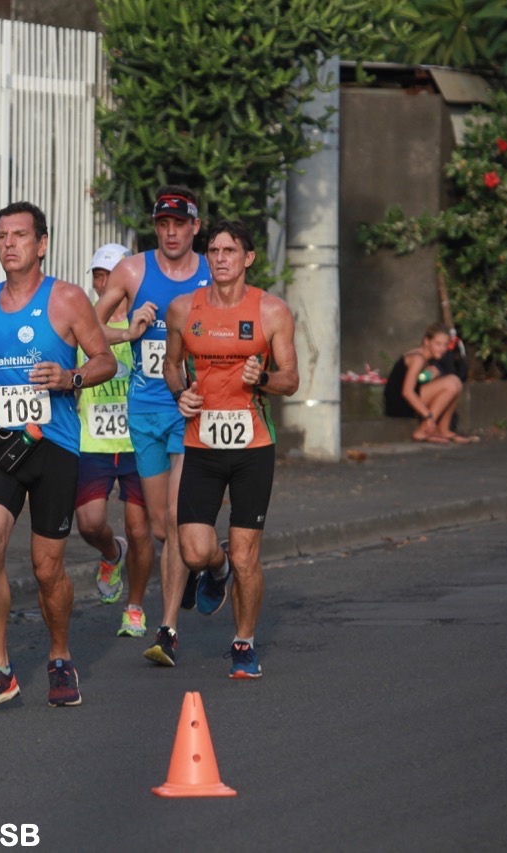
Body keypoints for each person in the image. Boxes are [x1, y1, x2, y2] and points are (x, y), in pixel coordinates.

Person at [0, 202, 116, 712]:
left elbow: (105, 361)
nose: (9, 244)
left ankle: (60, 654)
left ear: (41, 244)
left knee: (47, 568)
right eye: (2, 235)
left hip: (54, 445)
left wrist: (69, 378)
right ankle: (0, 667)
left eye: (20, 235)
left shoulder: (68, 300)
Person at [162, 219, 299, 679]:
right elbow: (171, 364)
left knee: (247, 555)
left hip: (252, 446)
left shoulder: (273, 311)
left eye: (229, 251)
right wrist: (181, 392)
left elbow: (291, 380)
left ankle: (244, 641)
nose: (220, 258)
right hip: (201, 440)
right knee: (194, 551)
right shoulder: (184, 308)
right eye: (214, 251)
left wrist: (261, 378)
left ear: (248, 258)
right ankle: (215, 571)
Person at [94, 186, 211, 668]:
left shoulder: (212, 270)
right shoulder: (132, 270)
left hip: (191, 408)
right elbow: (88, 326)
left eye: (179, 224)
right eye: (163, 224)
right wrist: (130, 332)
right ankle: (209, 566)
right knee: (164, 527)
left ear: (194, 227)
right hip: (144, 408)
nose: (170, 232)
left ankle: (167, 630)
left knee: (181, 523)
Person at [75, 243, 155, 639]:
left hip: (139, 440)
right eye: (98, 275)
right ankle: (111, 553)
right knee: (89, 524)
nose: (104, 282)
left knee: (141, 529)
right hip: (94, 442)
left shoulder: (149, 317)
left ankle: (135, 606)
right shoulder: (83, 324)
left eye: (111, 274)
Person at [383, 322, 474, 444]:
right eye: (438, 344)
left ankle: (443, 430)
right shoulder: (418, 358)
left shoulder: (428, 358)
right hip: (398, 404)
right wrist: (428, 416)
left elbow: (418, 381)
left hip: (407, 399)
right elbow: (407, 391)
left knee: (456, 382)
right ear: (427, 341)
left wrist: (429, 377)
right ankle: (423, 430)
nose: (442, 349)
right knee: (451, 383)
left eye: (445, 345)